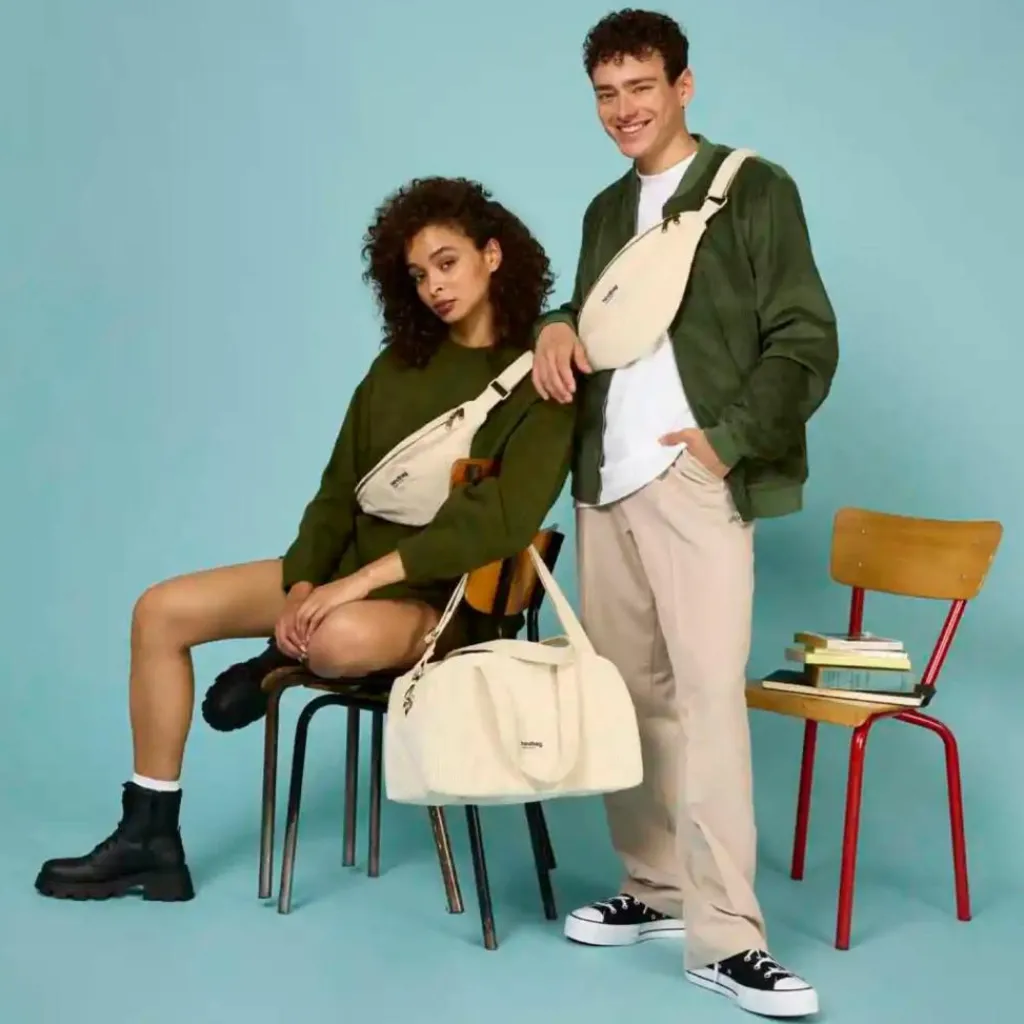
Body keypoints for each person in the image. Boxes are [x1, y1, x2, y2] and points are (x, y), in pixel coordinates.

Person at [35, 176, 576, 904]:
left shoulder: (543, 374)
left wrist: (346, 590)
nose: (434, 287)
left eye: (447, 263)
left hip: (444, 602)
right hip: (340, 579)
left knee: (334, 639)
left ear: (492, 255)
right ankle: (150, 835)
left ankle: (278, 655)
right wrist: (300, 588)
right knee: (159, 611)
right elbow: (336, 494)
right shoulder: (396, 368)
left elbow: (499, 522)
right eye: (418, 274)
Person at [530, 10, 838, 1020]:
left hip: (694, 480)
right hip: (604, 480)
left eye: (641, 88)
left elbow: (805, 336)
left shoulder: (753, 187)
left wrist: (727, 439)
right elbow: (597, 316)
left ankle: (728, 938)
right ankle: (656, 886)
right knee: (631, 699)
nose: (623, 109)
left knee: (707, 703)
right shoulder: (604, 209)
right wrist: (552, 324)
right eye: (605, 94)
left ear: (683, 86)